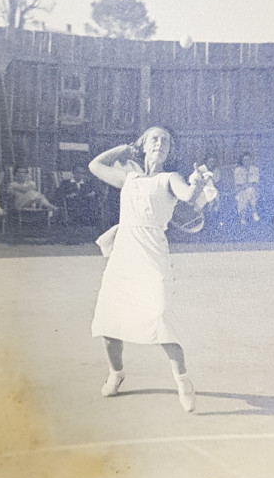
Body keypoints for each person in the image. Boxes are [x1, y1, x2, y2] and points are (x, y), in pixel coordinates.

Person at [88, 126, 208, 412]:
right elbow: (94, 165)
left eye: (166, 141)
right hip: (124, 255)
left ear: (169, 150)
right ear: (143, 145)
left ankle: (183, 381)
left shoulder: (171, 178)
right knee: (109, 324)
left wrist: (199, 184)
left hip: (153, 252)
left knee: (160, 314)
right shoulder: (128, 178)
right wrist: (121, 149)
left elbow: (189, 195)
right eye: (155, 138)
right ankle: (116, 374)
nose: (160, 143)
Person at [234, 151, 260, 224]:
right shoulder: (238, 170)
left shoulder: (255, 169)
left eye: (248, 160)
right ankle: (254, 211)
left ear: (251, 160)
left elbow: (255, 183)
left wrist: (247, 186)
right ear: (242, 161)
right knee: (246, 193)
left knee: (250, 190)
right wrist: (247, 186)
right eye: (245, 160)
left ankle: (243, 217)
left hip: (252, 191)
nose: (246, 162)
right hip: (240, 191)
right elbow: (238, 185)